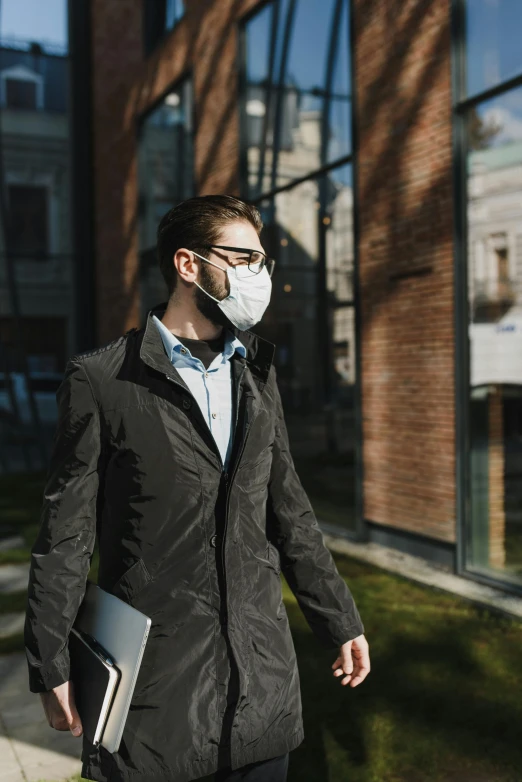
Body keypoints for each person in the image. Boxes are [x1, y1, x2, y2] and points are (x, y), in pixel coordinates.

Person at [24, 194, 370, 782]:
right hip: (155, 696)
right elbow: (67, 533)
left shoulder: (256, 374)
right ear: (188, 265)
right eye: (243, 258)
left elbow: (290, 512)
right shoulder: (103, 379)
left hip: (261, 685)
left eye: (263, 262)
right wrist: (49, 660)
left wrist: (339, 619)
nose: (257, 275)